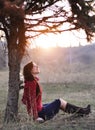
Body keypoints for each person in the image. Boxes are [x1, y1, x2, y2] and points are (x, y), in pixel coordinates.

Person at [22, 61, 91, 122]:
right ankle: (83, 111)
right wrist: (35, 117)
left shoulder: (29, 82)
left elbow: (24, 100)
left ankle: (82, 111)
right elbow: (31, 101)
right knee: (59, 101)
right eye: (35, 66)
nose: (37, 66)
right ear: (30, 70)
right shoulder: (31, 83)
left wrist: (36, 107)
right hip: (40, 113)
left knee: (58, 102)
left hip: (39, 110)